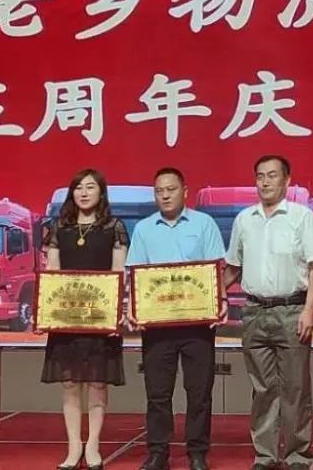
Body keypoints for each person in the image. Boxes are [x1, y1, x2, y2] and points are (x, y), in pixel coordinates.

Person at [223, 155, 313, 470]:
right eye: (260, 176)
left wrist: (310, 309)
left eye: (272, 175)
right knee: (263, 388)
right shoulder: (244, 219)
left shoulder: (302, 217)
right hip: (254, 312)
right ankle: (265, 455)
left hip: (292, 310)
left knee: (295, 387)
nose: (265, 182)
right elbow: (233, 269)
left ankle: (297, 455)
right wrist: (207, 296)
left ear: (287, 180)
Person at [125, 167, 227, 470]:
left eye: (171, 189)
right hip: (157, 325)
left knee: (199, 392)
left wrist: (221, 301)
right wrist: (132, 307)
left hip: (198, 324)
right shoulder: (144, 229)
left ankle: (197, 453)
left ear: (185, 191)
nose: (165, 195)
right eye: (159, 191)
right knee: (157, 393)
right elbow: (134, 275)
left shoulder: (204, 223)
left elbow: (217, 269)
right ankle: (158, 453)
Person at [40, 168, 129, 470]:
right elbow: (52, 273)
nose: (84, 192)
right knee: (69, 383)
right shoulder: (59, 227)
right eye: (78, 187)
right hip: (67, 317)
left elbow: (119, 274)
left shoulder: (114, 227)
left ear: (101, 193)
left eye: (90, 187)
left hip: (100, 318)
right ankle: (73, 446)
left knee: (97, 383)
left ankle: (93, 446)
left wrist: (115, 314)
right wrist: (46, 312)